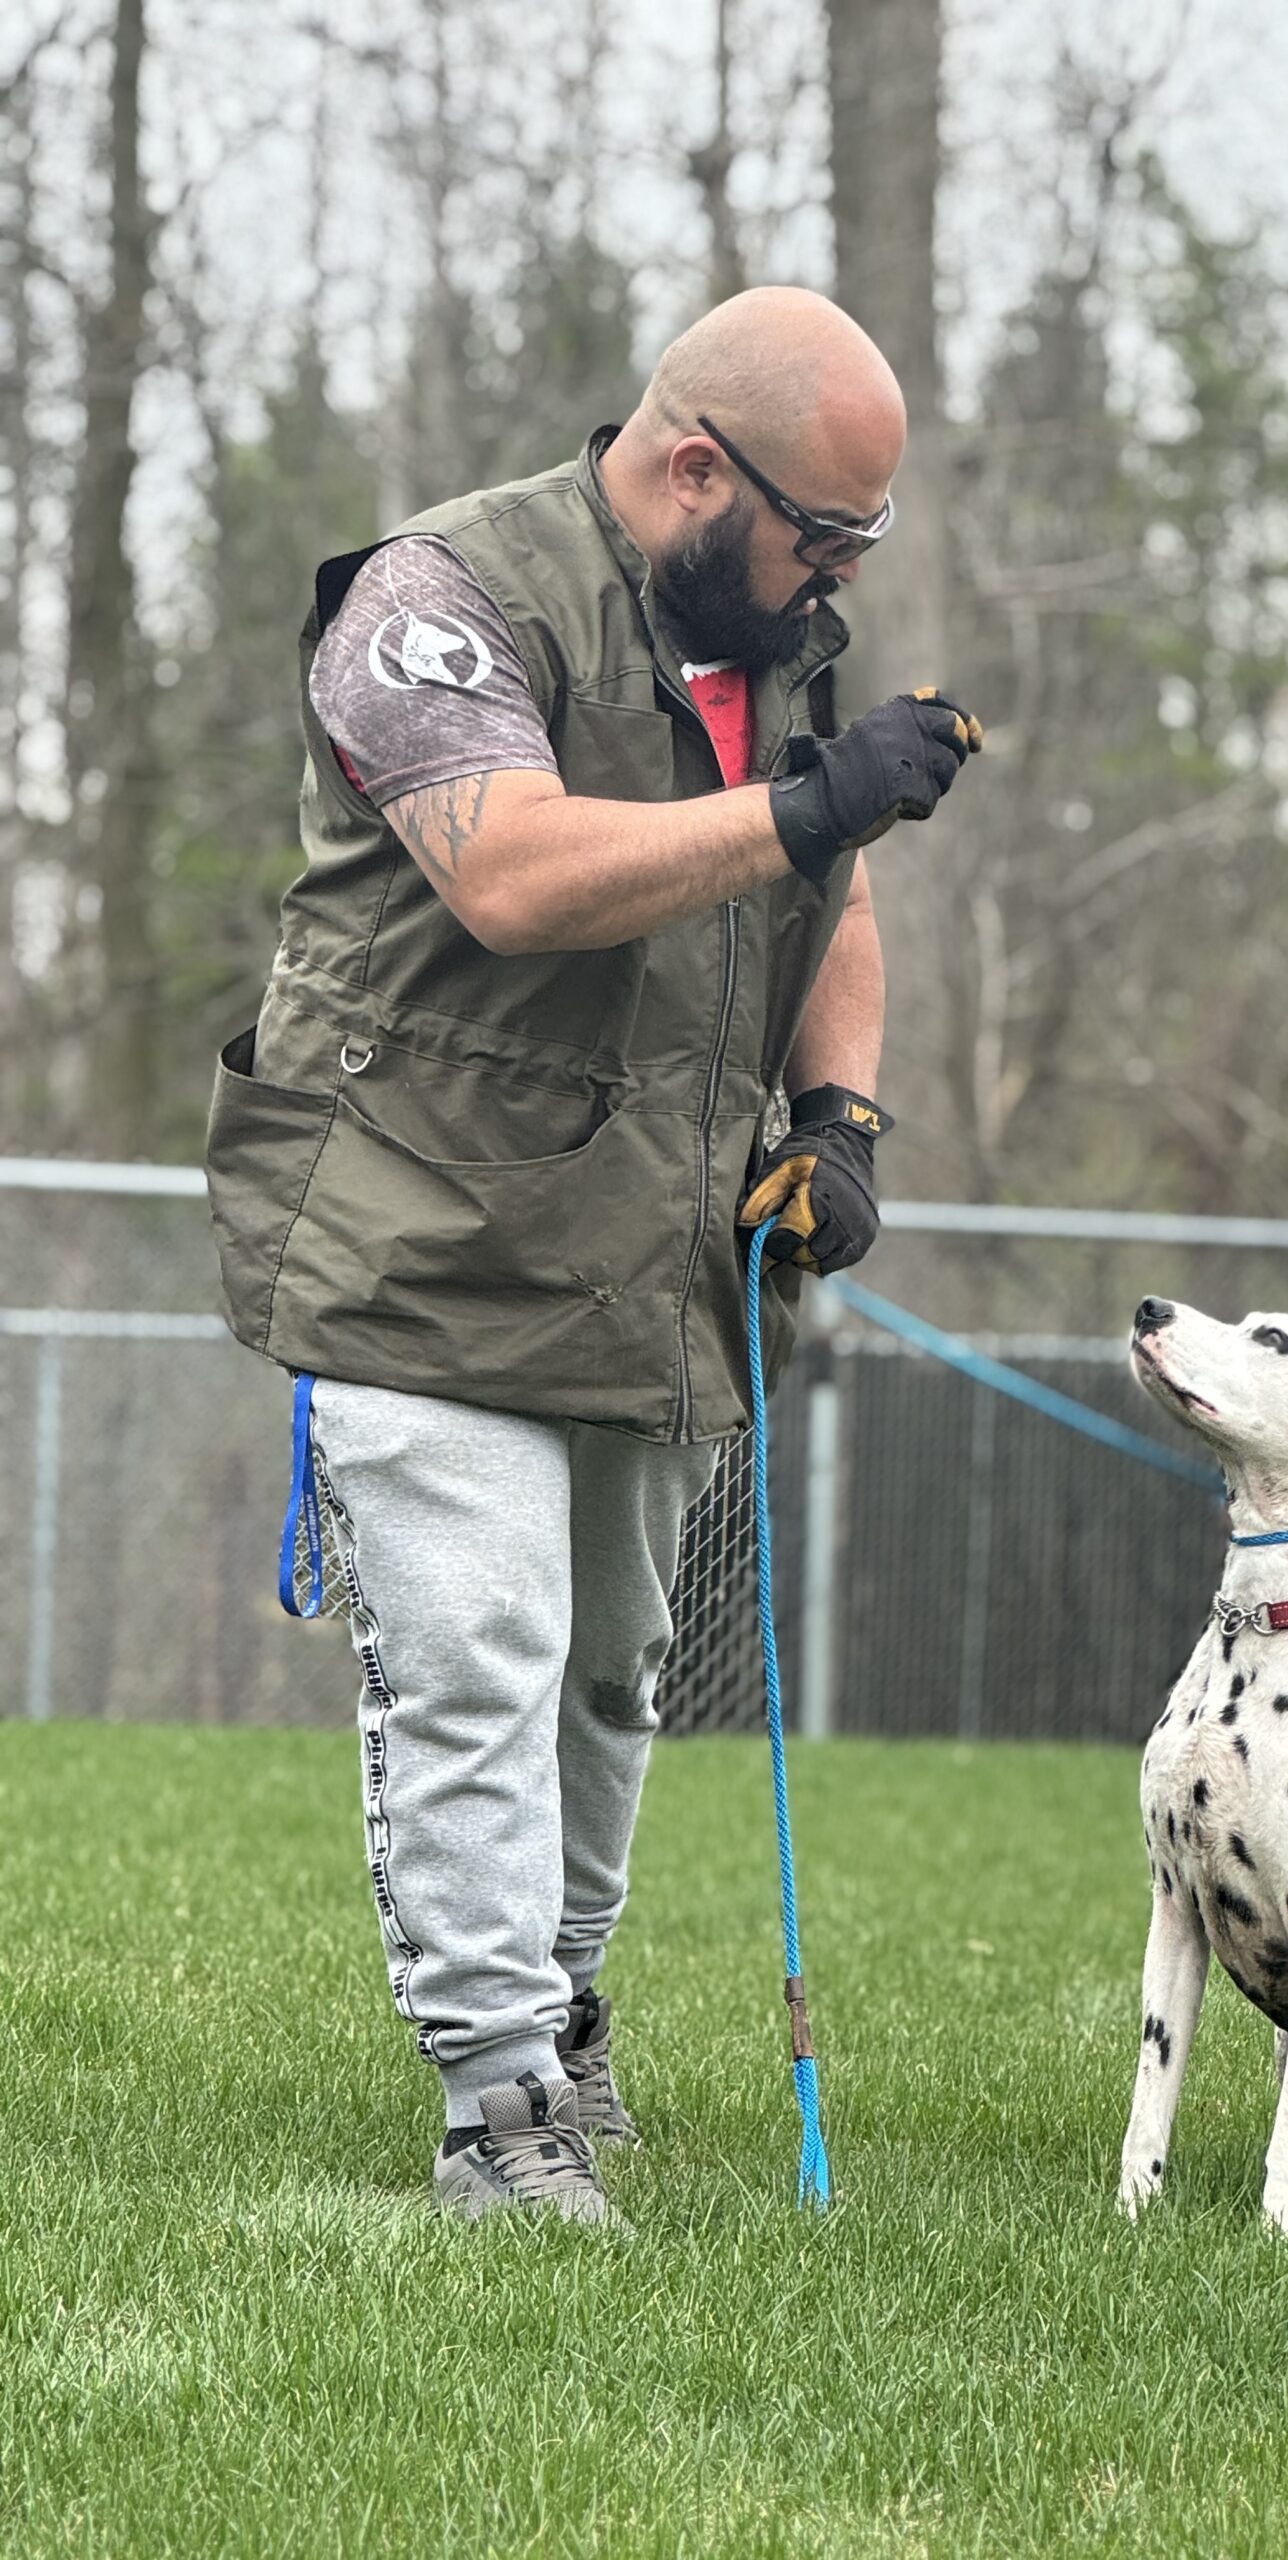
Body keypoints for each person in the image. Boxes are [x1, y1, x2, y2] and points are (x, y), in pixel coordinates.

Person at [203, 286, 984, 2224]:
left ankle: (559, 2011)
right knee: (480, 1652)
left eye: (865, 552)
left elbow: (837, 899)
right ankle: (494, 2108)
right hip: (424, 1231)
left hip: (657, 1249)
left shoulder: (767, 631)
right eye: (829, 534)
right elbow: (513, 869)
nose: (840, 585)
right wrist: (803, 801)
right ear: (699, 468)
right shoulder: (438, 599)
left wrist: (841, 1122)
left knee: (615, 1667)